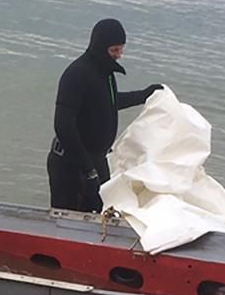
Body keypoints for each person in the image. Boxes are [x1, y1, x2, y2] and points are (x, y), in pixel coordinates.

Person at [47, 18, 161, 212]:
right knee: (69, 220)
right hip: (70, 165)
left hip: (95, 162)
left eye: (121, 49)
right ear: (100, 47)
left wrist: (143, 95)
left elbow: (106, 103)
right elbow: (63, 125)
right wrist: (87, 169)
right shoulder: (77, 74)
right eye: (114, 50)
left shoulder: (105, 74)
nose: (119, 55)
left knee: (102, 214)